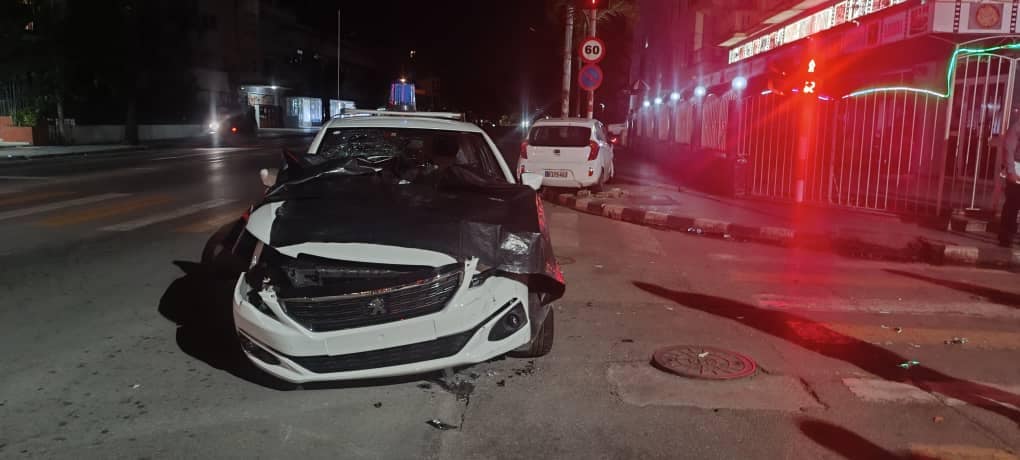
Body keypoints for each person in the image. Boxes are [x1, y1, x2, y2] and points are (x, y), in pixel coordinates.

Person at [999, 117, 1020, 247]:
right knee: (1012, 204)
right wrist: (1011, 171)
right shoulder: (1017, 126)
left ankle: (1009, 233)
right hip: (1018, 169)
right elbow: (1009, 147)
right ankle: (1006, 235)